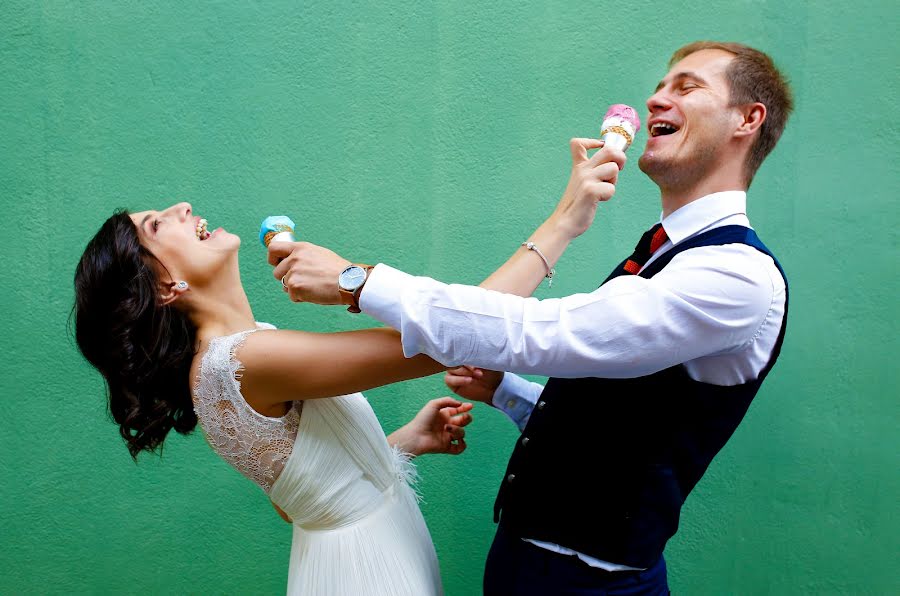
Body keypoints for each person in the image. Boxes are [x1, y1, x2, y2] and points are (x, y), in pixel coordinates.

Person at [269, 41, 793, 594]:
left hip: (590, 583)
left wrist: (358, 281)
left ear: (748, 119)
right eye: (660, 87)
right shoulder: (666, 252)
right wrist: (508, 393)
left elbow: (550, 332)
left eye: (686, 87)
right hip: (524, 564)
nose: (656, 99)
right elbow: (614, 409)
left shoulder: (738, 276)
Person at [72, 202, 477, 596]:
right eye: (157, 226)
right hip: (369, 571)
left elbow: (295, 502)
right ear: (164, 287)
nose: (182, 206)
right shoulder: (243, 361)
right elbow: (456, 334)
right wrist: (353, 281)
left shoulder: (229, 360)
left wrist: (405, 442)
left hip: (360, 558)